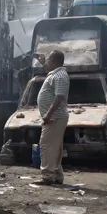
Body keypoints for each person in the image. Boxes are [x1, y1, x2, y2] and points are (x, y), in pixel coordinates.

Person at [36, 50, 70, 185]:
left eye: (49, 60)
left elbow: (59, 96)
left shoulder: (60, 75)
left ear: (55, 62)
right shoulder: (56, 74)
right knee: (55, 147)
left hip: (54, 118)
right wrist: (43, 62)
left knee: (47, 146)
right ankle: (56, 175)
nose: (47, 63)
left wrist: (48, 114)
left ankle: (48, 176)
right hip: (54, 118)